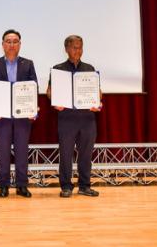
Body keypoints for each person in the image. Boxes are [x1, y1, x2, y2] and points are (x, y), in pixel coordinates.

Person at [48, 35, 101, 198]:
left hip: (87, 118)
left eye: (80, 47)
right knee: (65, 154)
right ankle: (66, 186)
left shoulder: (89, 68)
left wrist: (98, 101)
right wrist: (54, 101)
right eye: (74, 47)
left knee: (86, 154)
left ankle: (84, 185)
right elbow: (49, 91)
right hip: (67, 118)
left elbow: (98, 91)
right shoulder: (58, 69)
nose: (78, 50)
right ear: (66, 49)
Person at [0, 29, 37, 198]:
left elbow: (33, 87)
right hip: (2, 116)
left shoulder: (28, 63)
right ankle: (3, 185)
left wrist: (33, 110)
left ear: (20, 44)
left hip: (22, 115)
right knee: (3, 152)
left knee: (22, 151)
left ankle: (22, 185)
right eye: (8, 41)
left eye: (15, 41)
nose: (11, 44)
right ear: (2, 44)